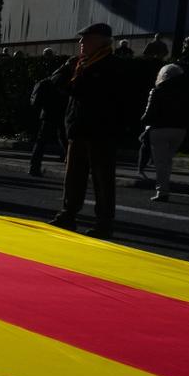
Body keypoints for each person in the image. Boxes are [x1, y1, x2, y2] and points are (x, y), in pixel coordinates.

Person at [51, 24, 120, 236]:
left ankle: (104, 222)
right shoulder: (82, 64)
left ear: (101, 41)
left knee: (102, 179)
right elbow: (59, 84)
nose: (81, 43)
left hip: (100, 131)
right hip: (79, 129)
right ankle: (68, 213)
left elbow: (86, 93)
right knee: (74, 176)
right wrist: (66, 69)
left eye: (86, 39)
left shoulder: (110, 66)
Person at [137, 60, 189, 202]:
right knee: (167, 160)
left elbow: (149, 114)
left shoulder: (157, 91)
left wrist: (142, 122)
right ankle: (164, 187)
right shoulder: (186, 92)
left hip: (160, 129)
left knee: (161, 163)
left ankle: (162, 191)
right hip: (180, 129)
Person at [26, 49, 69, 176]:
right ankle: (68, 161)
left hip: (48, 113)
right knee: (63, 138)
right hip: (58, 112)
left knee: (42, 141)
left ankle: (34, 166)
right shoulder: (65, 76)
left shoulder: (55, 74)